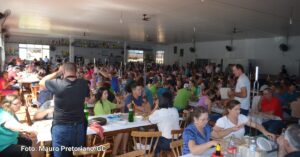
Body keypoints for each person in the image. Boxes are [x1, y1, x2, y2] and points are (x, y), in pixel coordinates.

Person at [39, 62, 90, 157]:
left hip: (61, 127)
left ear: (64, 71)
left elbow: (41, 82)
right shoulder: (83, 83)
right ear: (75, 71)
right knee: (78, 154)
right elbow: (87, 100)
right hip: (79, 126)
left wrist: (58, 72)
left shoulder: (57, 83)